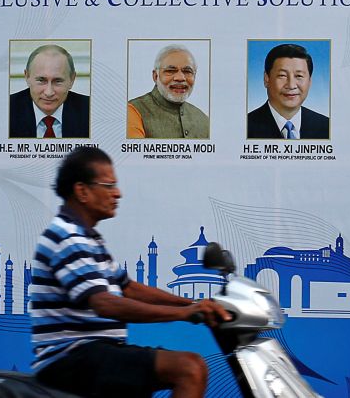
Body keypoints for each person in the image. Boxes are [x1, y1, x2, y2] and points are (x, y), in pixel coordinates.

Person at [30, 147, 230, 398]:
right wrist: (184, 313)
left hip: (97, 353)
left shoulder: (88, 238)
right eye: (109, 185)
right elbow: (104, 303)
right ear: (82, 191)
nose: (118, 193)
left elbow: (128, 288)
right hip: (72, 357)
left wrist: (194, 303)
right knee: (190, 368)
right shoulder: (66, 236)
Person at [247, 43, 329, 139]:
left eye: (299, 76)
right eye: (282, 75)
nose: (291, 85)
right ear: (266, 79)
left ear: (309, 81)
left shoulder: (326, 126)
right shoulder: (245, 126)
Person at [128, 44, 209, 138]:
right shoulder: (133, 111)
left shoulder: (204, 120)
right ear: (155, 76)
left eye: (187, 71)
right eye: (170, 70)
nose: (180, 78)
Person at [10, 44, 90, 138]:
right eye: (41, 80)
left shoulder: (91, 111)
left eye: (58, 81)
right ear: (27, 77)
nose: (49, 92)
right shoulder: (7, 110)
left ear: (72, 80)